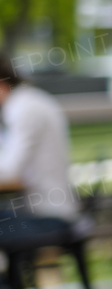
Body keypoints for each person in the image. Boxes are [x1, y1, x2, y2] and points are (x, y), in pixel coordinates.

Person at [0, 59, 80, 233]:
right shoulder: (28, 101)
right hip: (42, 208)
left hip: (48, 215)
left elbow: (9, 171)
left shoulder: (24, 109)